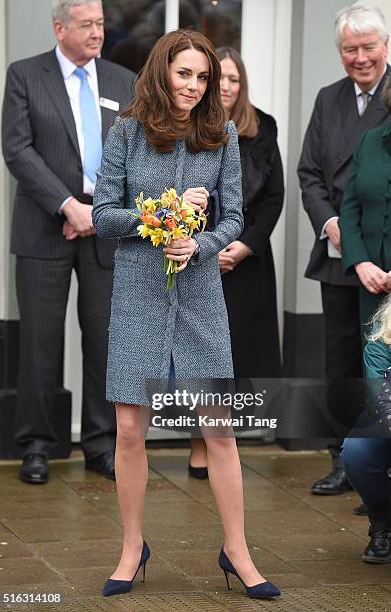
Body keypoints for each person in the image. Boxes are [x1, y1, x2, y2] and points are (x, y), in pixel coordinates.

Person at [92, 29, 281, 600]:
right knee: (129, 428)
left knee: (218, 427)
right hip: (137, 291)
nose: (196, 88)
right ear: (161, 72)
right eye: (185, 75)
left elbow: (232, 221)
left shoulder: (220, 133)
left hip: (199, 291)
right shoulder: (126, 130)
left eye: (203, 78)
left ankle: (238, 552)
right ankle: (131, 549)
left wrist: (199, 244)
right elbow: (103, 214)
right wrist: (163, 213)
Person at [1, 0, 135, 484]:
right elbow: (17, 149)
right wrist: (67, 205)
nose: (97, 32)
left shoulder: (123, 80)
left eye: (101, 23)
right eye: (86, 25)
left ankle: (101, 443)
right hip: (45, 226)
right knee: (40, 340)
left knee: (103, 341)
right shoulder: (25, 75)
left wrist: (100, 212)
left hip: (105, 228)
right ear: (60, 29)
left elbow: (135, 151)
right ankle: (37, 444)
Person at [298, 2, 390, 497]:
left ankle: (381, 462)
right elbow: (309, 171)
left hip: (385, 258)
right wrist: (330, 222)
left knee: (382, 360)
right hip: (338, 258)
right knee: (341, 363)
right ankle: (344, 458)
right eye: (350, 49)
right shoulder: (327, 99)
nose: (360, 57)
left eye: (368, 47)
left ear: (385, 46)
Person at [189, 46, 284, 479]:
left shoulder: (263, 128)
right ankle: (196, 441)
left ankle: (224, 442)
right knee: (197, 354)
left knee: (238, 353)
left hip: (245, 262)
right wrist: (204, 246)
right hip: (194, 258)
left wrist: (244, 245)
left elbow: (272, 198)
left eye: (233, 80)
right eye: (218, 78)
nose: (225, 87)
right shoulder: (188, 126)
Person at [340, 76, 391, 329]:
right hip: (372, 283)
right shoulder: (369, 141)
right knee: (374, 364)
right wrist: (361, 262)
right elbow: (349, 210)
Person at [342, 298, 391, 563]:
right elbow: (379, 399)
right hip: (386, 419)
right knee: (356, 451)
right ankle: (383, 521)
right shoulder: (381, 341)